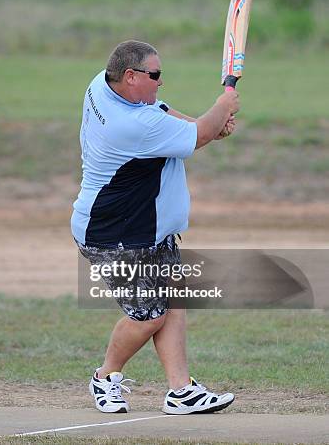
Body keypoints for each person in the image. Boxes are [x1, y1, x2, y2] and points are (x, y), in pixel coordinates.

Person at [71, 40, 238, 415]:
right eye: (155, 75)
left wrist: (206, 125)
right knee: (148, 316)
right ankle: (105, 376)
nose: (161, 82)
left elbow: (170, 117)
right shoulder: (131, 125)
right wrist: (220, 110)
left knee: (172, 299)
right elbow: (196, 137)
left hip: (148, 228)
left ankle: (181, 391)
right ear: (130, 77)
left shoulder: (102, 84)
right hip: (115, 237)